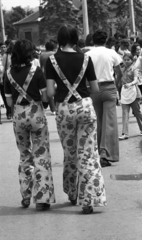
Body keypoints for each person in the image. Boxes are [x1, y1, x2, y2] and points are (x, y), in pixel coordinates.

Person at [46, 25, 106, 214]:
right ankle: (89, 199)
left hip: (64, 109)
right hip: (85, 107)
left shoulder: (52, 60)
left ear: (60, 39)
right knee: (88, 153)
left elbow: (49, 93)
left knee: (70, 153)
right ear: (75, 38)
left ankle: (72, 193)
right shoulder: (86, 58)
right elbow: (95, 89)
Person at [4, 39, 55, 210]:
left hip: (18, 115)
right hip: (37, 115)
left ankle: (26, 195)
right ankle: (42, 198)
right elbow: (46, 97)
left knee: (24, 154)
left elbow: (9, 103)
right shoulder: (37, 71)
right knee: (41, 154)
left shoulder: (8, 74)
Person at [86, 29, 122, 167]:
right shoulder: (111, 53)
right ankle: (106, 155)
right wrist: (116, 86)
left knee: (98, 122)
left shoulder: (87, 54)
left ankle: (95, 153)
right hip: (109, 88)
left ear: (92, 41)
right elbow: (119, 73)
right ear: (106, 40)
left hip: (93, 89)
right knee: (110, 123)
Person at [119, 52, 142, 140]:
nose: (126, 61)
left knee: (137, 113)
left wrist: (130, 84)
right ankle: (125, 133)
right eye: (124, 60)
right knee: (125, 113)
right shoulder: (121, 68)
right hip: (125, 94)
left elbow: (136, 80)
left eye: (128, 60)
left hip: (134, 94)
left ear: (132, 60)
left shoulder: (134, 69)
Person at [40, 40, 57, 115]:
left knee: (49, 90)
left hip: (46, 75)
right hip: (56, 74)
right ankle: (55, 106)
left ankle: (52, 108)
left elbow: (41, 67)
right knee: (57, 90)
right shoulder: (56, 54)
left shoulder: (42, 55)